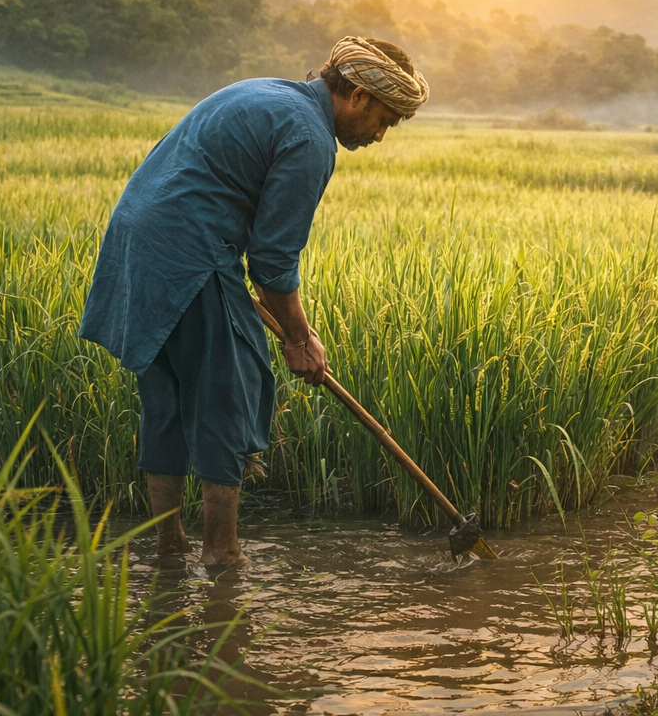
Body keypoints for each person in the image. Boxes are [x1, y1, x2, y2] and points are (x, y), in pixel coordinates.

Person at [79, 36, 429, 567]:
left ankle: (170, 549)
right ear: (356, 94)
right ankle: (222, 554)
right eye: (383, 119)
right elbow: (271, 263)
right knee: (228, 398)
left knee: (167, 400)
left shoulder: (266, 92)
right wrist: (299, 340)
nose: (380, 135)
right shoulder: (310, 137)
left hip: (138, 243)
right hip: (189, 254)